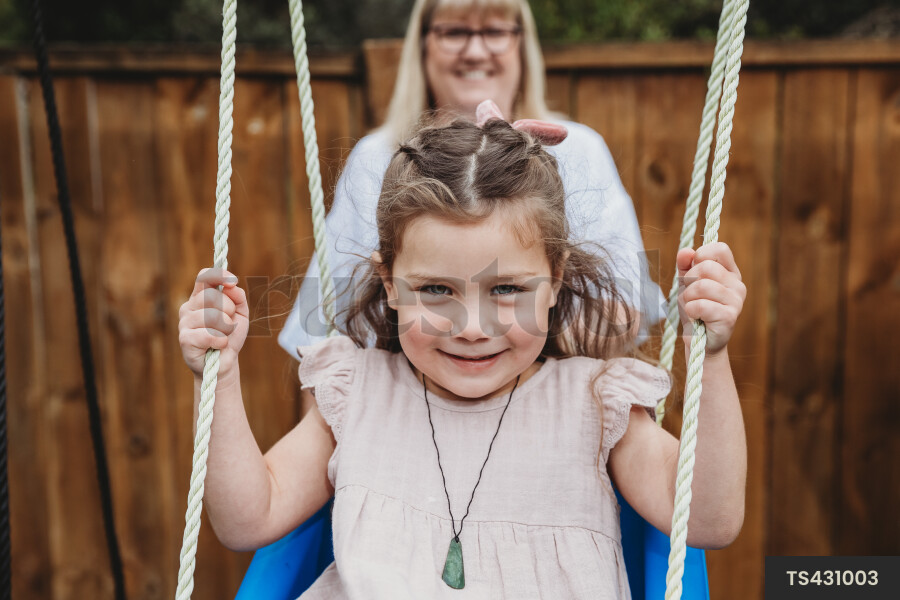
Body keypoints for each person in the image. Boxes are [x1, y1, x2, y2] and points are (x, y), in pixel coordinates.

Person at [178, 117, 747, 598]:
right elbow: (249, 520)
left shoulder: (595, 402)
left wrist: (713, 358)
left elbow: (710, 521)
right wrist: (219, 376)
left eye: (506, 290)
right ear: (390, 283)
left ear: (555, 281)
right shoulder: (357, 392)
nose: (472, 329)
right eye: (435, 291)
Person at [278, 0, 664, 358]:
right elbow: (324, 322)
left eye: (495, 32)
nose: (476, 51)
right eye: (454, 32)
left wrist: (507, 357)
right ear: (423, 46)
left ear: (521, 46)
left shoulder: (576, 148)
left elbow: (625, 308)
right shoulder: (377, 156)